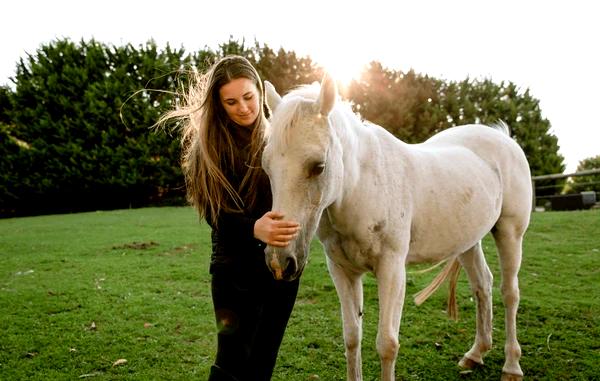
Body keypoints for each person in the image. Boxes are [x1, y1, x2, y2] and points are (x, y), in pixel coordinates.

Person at [159, 55, 301, 380]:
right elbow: (213, 212)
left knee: (263, 363)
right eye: (231, 101)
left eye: (249, 97)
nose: (243, 108)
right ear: (219, 104)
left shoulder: (279, 142)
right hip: (234, 270)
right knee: (232, 363)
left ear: (260, 94)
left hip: (279, 268)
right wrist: (254, 227)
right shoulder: (208, 147)